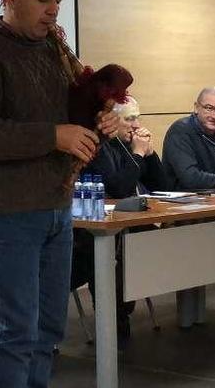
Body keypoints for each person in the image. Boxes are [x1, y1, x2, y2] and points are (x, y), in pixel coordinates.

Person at [0, 0, 118, 388]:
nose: (53, 9)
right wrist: (54, 136)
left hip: (58, 208)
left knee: (47, 333)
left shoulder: (52, 50)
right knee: (16, 334)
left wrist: (101, 119)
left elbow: (73, 111)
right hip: (9, 214)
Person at [72, 96, 169, 341]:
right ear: (113, 122)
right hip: (92, 232)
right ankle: (116, 323)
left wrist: (149, 154)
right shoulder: (101, 147)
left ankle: (127, 308)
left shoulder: (129, 144)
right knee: (117, 249)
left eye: (138, 118)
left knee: (167, 241)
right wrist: (137, 154)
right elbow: (119, 188)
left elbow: (163, 186)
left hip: (130, 225)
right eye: (130, 119)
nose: (136, 125)